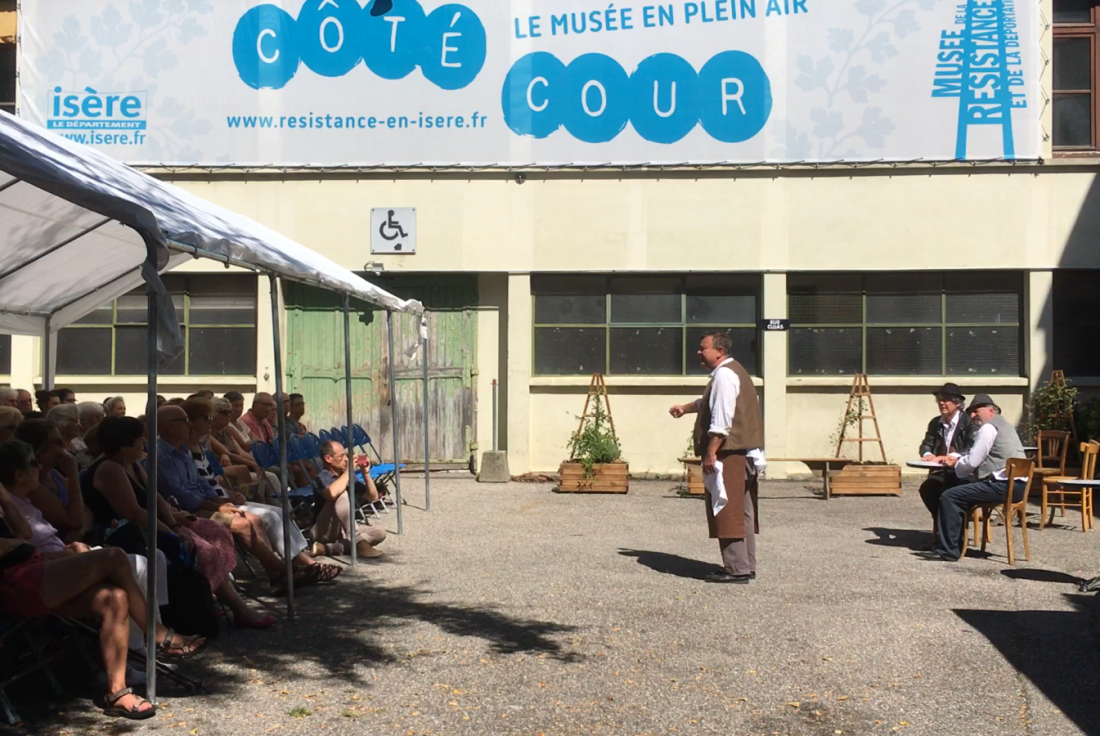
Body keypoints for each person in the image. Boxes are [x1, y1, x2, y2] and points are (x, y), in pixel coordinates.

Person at [0, 478, 203, 720]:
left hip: (34, 569)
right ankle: (160, 635)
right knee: (114, 557)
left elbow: (24, 534)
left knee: (114, 598)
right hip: (12, 582)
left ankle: (117, 692)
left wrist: (3, 495)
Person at [84, 416, 275, 629]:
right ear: (123, 444)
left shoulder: (132, 464)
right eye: (139, 440)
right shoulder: (110, 468)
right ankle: (238, 608)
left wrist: (174, 522)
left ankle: (208, 595)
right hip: (128, 532)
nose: (144, 444)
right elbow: (134, 512)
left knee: (217, 531)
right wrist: (173, 529)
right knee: (204, 548)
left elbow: (155, 497)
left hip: (166, 518)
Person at [156, 405, 338, 593]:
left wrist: (218, 501)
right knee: (248, 522)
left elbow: (201, 482)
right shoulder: (161, 456)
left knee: (258, 519)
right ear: (170, 426)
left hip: (207, 503)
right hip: (189, 511)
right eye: (184, 421)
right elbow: (180, 494)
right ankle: (288, 569)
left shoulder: (183, 451)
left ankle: (277, 576)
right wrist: (216, 506)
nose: (189, 425)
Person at [669, 333, 763, 584]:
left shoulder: (724, 375)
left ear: (719, 351)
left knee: (726, 510)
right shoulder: (734, 371)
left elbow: (722, 419)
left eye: (703, 349)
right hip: (744, 452)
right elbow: (710, 401)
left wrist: (711, 452)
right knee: (742, 511)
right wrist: (685, 408)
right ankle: (745, 565)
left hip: (730, 453)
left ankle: (736, 569)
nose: (699, 353)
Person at [920, 394, 1028, 562]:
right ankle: (952, 541)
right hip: (1018, 487)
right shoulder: (1007, 426)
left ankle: (948, 550)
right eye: (970, 412)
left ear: (990, 410)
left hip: (1001, 486)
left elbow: (973, 460)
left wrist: (954, 464)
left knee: (950, 496)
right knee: (953, 488)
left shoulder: (989, 428)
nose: (972, 416)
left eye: (976, 411)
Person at [917, 383, 977, 533]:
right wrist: (928, 455)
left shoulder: (969, 422)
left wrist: (950, 456)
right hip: (942, 473)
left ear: (957, 403)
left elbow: (972, 448)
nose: (942, 403)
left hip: (963, 473)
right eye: (940, 400)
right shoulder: (935, 423)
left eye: (946, 400)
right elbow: (926, 444)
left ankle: (952, 533)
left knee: (951, 494)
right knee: (927, 489)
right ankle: (943, 526)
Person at [14, 419, 85, 542]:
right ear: (38, 447)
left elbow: (85, 510)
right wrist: (73, 474)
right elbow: (74, 522)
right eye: (57, 442)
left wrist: (80, 531)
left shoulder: (53, 474)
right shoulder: (32, 484)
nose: (63, 445)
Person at [313, 440, 385, 558]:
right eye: (341, 456)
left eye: (346, 455)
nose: (346, 459)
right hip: (323, 531)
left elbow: (373, 497)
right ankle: (356, 541)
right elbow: (331, 494)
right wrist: (349, 471)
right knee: (341, 495)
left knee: (379, 532)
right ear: (328, 458)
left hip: (343, 532)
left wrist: (366, 474)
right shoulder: (321, 478)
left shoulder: (347, 475)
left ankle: (328, 549)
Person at [210, 398, 279, 504]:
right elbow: (230, 454)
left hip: (238, 466)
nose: (229, 415)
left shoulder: (225, 431)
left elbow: (240, 452)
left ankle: (284, 511)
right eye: (224, 412)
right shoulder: (209, 433)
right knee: (270, 477)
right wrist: (254, 465)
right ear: (213, 414)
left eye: (230, 412)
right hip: (225, 468)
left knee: (270, 474)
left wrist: (257, 464)